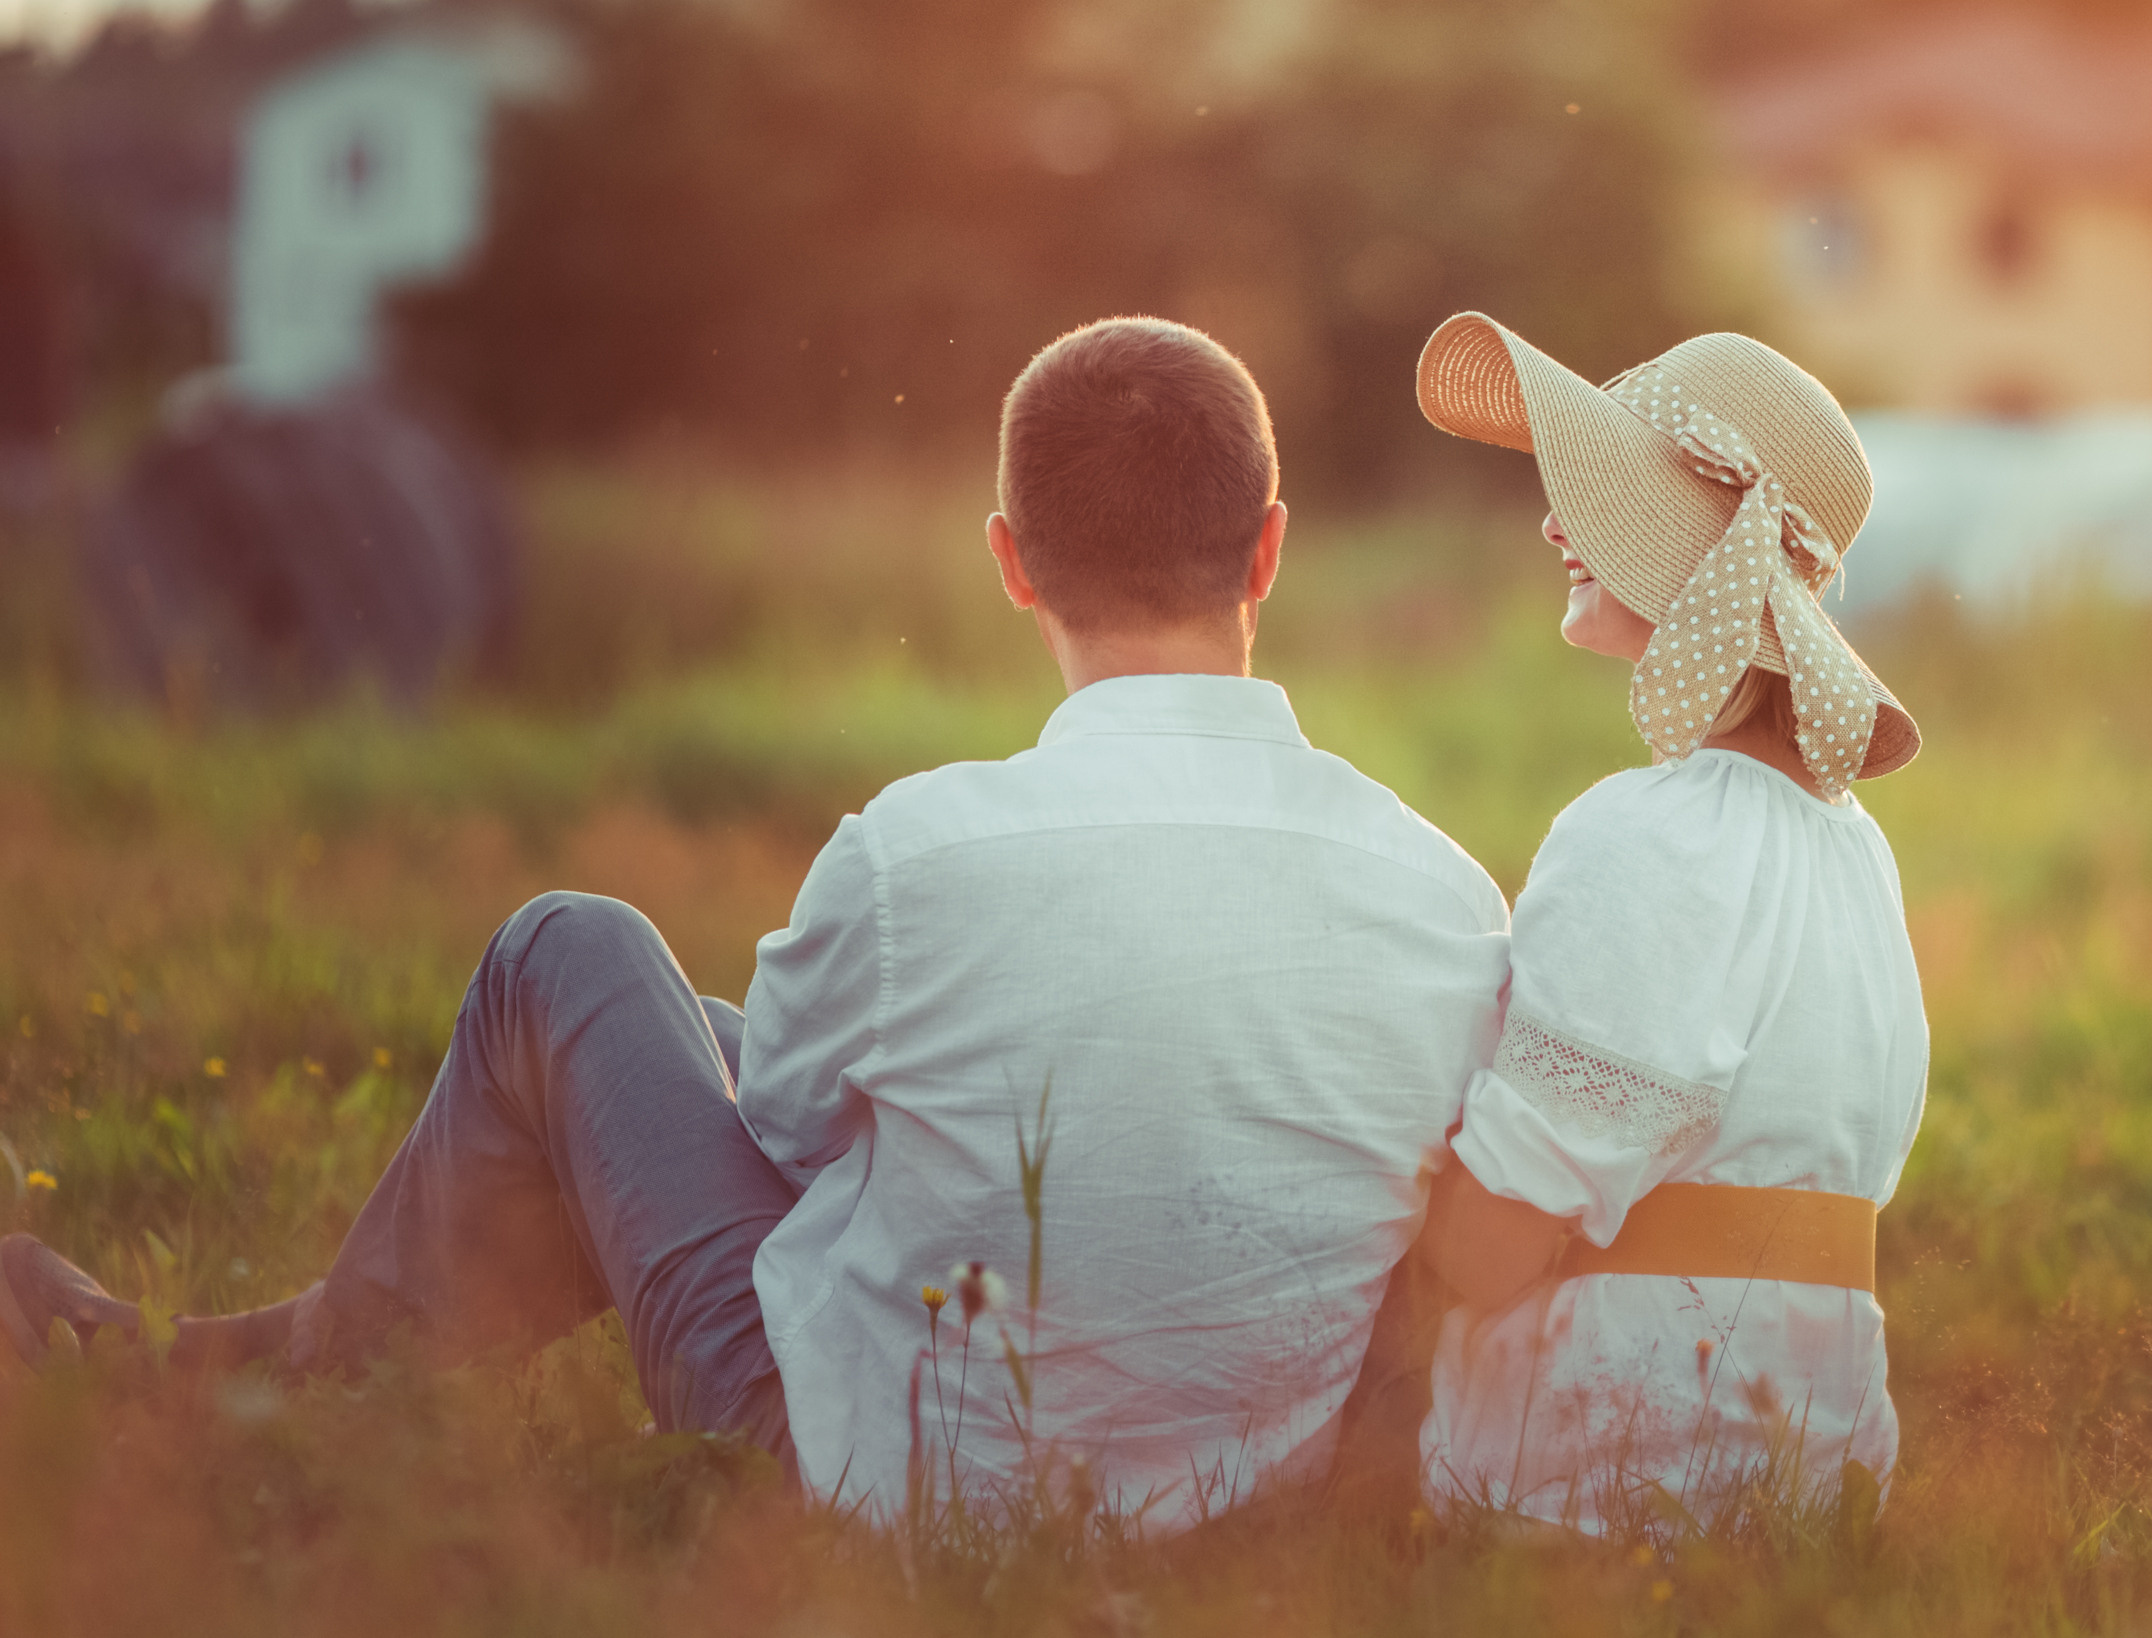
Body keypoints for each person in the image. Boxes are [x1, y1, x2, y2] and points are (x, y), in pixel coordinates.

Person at [0, 317, 1511, 1532]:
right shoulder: (1449, 896)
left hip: (866, 1483)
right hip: (1256, 1505)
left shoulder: (916, 852)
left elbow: (780, 1132)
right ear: (1268, 551)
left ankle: (258, 1374)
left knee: (574, 954)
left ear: (1010, 561)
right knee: (704, 1044)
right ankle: (255, 1355)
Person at [1403, 312, 1929, 1532]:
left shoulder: (1648, 830)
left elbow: (1490, 1250)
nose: (1549, 523)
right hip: (1814, 1481)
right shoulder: (1852, 848)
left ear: (1707, 547)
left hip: (1601, 1490)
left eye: (1597, 490)